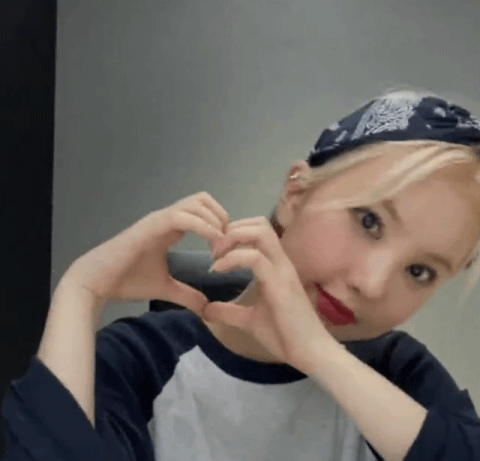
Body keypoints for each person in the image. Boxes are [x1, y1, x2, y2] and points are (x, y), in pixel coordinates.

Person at [2, 90, 480, 461]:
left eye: (419, 271)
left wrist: (316, 354)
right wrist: (82, 288)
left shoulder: (399, 375)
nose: (372, 285)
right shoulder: (142, 361)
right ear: (295, 195)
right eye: (369, 221)